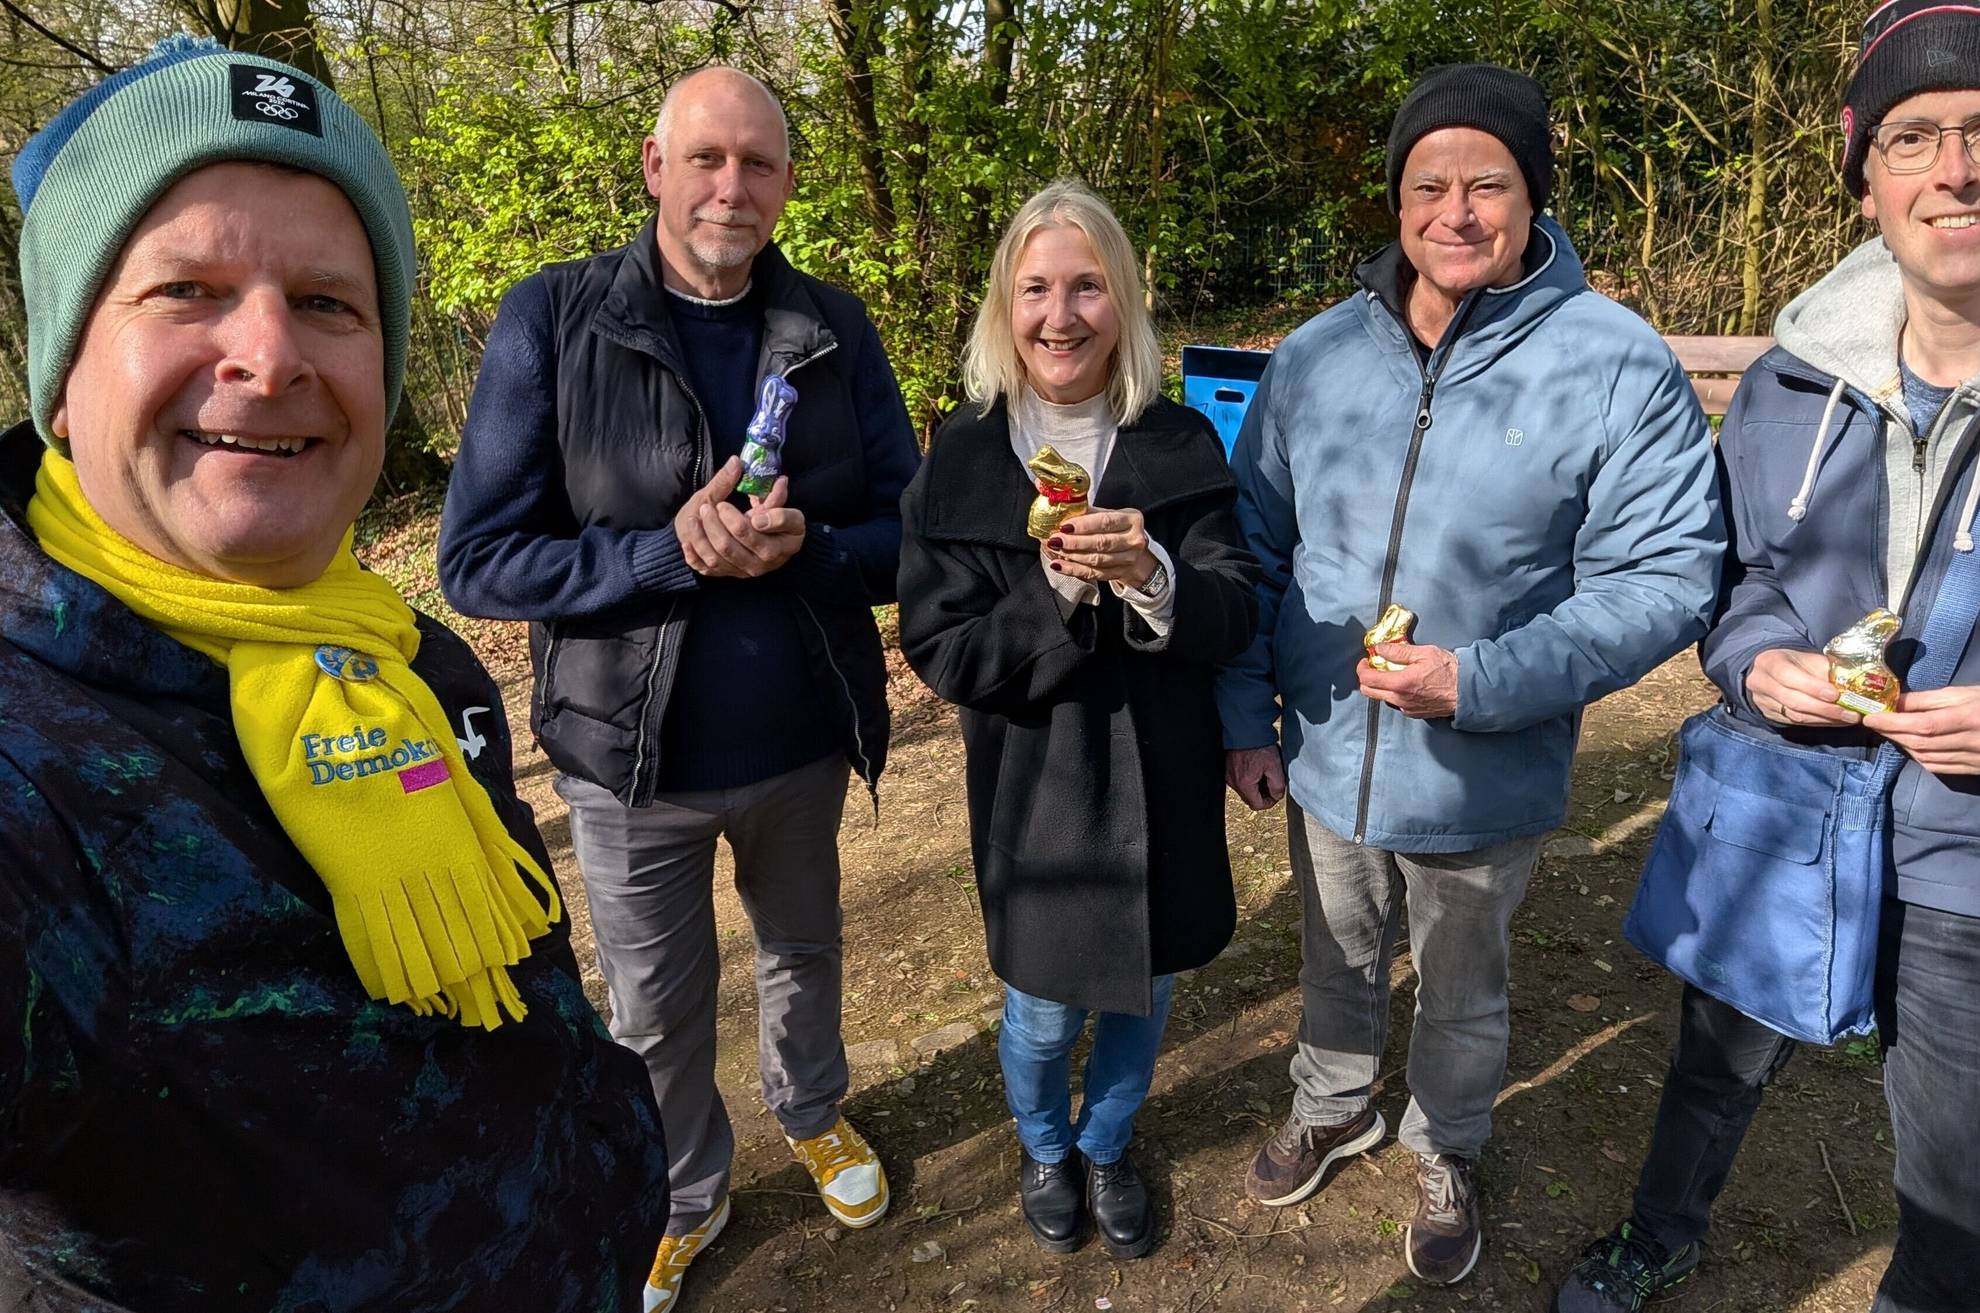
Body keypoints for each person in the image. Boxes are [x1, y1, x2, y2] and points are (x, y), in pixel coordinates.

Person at [0, 36, 666, 1311]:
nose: (269, 353)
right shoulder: (35, 777)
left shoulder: (401, 658)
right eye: (186, 289)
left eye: (327, 302)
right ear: (64, 374)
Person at [1557, 5, 1980, 1311]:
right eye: (1911, 136)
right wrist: (1756, 667)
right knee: (1712, 1063)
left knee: (1975, 1193)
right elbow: (1732, 583)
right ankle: (1663, 1230)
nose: (1951, 169)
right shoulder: (1794, 378)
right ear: (1866, 182)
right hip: (1788, 809)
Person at [1216, 64, 1725, 1286]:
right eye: (1426, 183)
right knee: (1335, 951)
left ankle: (1447, 1140)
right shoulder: (1320, 356)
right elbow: (1250, 544)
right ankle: (1334, 1099)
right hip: (1330, 742)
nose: (1454, 210)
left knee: (1461, 980)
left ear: (1531, 197)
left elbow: (1665, 575)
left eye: (1485, 183)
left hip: (1483, 765)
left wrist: (1480, 680)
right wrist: (1248, 709)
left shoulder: (1612, 361)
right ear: (1396, 199)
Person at [438, 64, 919, 1307]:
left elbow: (913, 531)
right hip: (627, 759)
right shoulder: (553, 317)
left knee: (806, 951)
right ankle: (686, 1189)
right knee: (654, 1005)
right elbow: (478, 561)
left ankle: (813, 1111)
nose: (731, 185)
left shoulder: (832, 324)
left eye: (758, 163)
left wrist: (810, 546)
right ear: (655, 167)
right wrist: (670, 551)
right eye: (706, 157)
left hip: (803, 739)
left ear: (787, 184)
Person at [897, 179, 1260, 1259]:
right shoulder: (958, 458)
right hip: (1036, 786)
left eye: (1089, 286)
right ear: (1006, 308)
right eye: (1038, 287)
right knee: (1044, 1010)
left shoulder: (1183, 439)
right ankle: (1044, 1144)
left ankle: (1107, 1142)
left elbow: (1236, 605)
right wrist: (1052, 598)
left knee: (1144, 997)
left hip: (1164, 775)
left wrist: (1153, 576)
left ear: (1126, 302)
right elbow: (942, 649)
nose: (1062, 315)